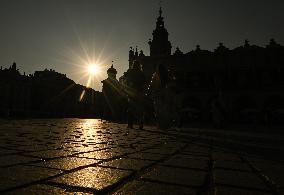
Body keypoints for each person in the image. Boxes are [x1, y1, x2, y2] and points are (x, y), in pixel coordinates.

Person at [124, 60, 146, 129]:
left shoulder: (130, 72)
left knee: (131, 108)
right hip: (139, 92)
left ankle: (130, 124)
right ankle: (141, 123)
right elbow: (144, 82)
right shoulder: (141, 73)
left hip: (132, 92)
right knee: (140, 108)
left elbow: (126, 81)